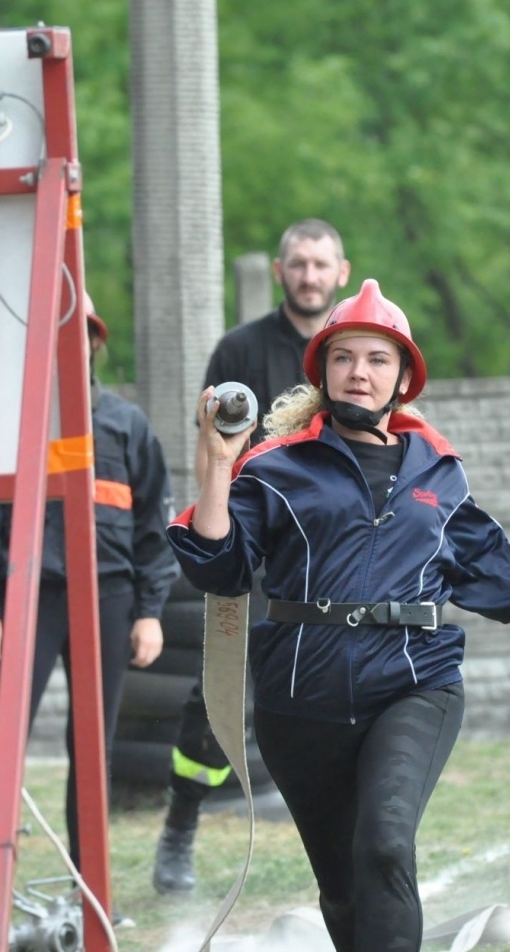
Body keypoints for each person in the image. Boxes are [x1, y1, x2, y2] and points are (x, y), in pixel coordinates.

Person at [168, 280, 510, 952]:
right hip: (298, 698)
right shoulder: (273, 467)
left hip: (413, 685)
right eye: (343, 356)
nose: (359, 371)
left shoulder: (439, 471)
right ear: (322, 370)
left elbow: (492, 566)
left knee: (386, 846)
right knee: (343, 885)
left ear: (402, 377)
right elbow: (216, 570)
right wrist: (219, 468)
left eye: (377, 358)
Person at [0, 297, 179, 874]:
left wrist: (149, 611)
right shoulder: (9, 424)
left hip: (109, 600)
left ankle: (89, 888)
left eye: (75, 334)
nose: (63, 346)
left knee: (93, 749)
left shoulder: (127, 425)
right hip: (28, 600)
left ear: (93, 343)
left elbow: (154, 525)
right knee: (1, 742)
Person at [153, 217, 350, 894]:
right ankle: (179, 830)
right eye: (299, 263)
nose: (309, 276)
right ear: (279, 271)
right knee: (216, 698)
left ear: (341, 273)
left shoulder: (350, 354)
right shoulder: (239, 352)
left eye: (320, 264)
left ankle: (349, 839)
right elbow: (211, 450)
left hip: (330, 558)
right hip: (253, 553)